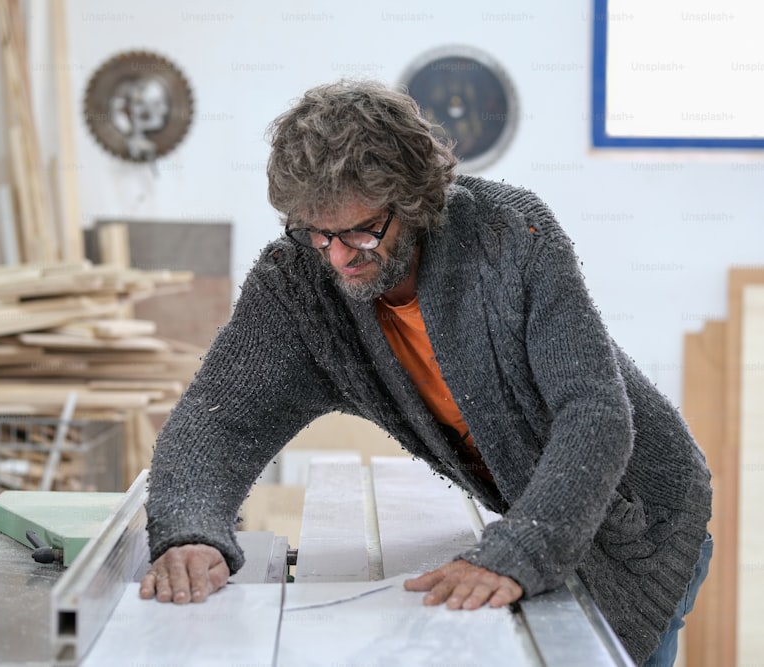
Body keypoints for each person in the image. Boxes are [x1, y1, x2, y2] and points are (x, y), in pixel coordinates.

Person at [139, 79, 712, 666]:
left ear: (415, 202)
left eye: (363, 231)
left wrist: (522, 548)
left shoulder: (511, 238)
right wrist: (191, 528)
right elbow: (220, 419)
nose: (338, 257)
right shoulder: (300, 283)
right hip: (539, 510)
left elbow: (592, 411)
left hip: (642, 517)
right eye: (318, 232)